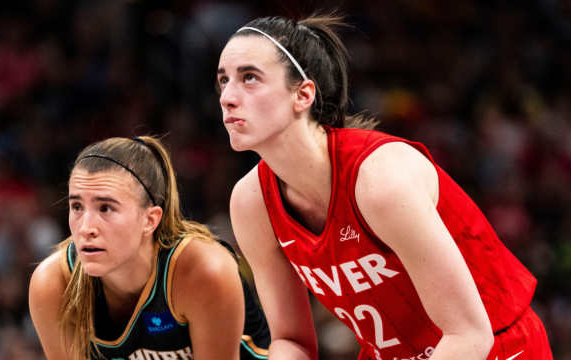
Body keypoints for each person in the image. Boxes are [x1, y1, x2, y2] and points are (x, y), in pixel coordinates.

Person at [217, 13, 553, 360]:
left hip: (495, 347)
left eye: (250, 78)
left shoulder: (379, 181)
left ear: (302, 95)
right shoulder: (250, 202)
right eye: (223, 81)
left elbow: (469, 336)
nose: (227, 96)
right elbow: (292, 341)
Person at [28, 136, 270, 360]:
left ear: (150, 220)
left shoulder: (203, 270)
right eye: (77, 207)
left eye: (105, 208)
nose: (85, 228)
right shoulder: (52, 284)